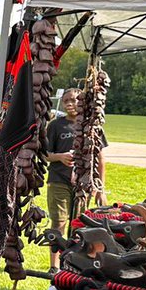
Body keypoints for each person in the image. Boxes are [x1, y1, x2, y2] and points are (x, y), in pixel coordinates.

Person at [44, 88, 107, 270]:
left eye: (74, 100)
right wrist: (59, 157)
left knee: (80, 223)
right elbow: (44, 154)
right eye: (66, 101)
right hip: (58, 180)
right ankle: (54, 266)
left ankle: (75, 263)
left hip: (83, 183)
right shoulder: (56, 126)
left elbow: (100, 158)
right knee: (59, 222)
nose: (70, 104)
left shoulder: (92, 125)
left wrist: (99, 187)